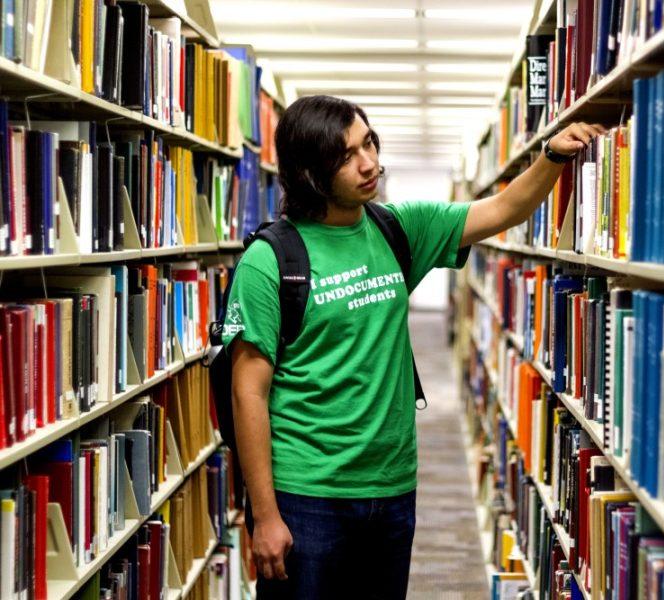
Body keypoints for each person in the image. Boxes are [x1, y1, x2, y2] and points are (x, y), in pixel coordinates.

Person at [224, 94, 605, 598]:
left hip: (393, 487)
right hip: (308, 494)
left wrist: (553, 155)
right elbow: (247, 393)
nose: (370, 163)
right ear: (311, 172)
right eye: (347, 156)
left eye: (370, 143)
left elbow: (506, 209)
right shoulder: (270, 260)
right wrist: (266, 514)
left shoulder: (397, 228)